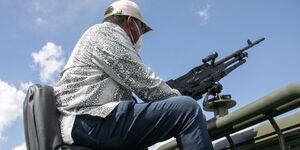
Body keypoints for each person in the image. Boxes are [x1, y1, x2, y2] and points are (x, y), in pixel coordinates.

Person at [54, 0, 214, 149]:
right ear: (130, 22)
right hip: (87, 119)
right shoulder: (107, 32)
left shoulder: (95, 35)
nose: (139, 37)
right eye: (141, 30)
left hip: (86, 121)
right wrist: (186, 106)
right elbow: (145, 84)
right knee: (187, 109)